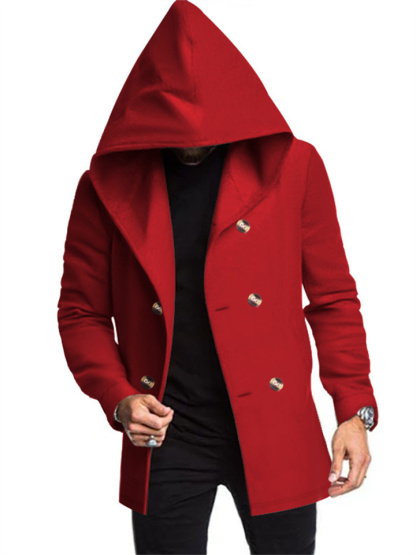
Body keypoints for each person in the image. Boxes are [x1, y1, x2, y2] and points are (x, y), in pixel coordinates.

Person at [57, 2, 378, 554]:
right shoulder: (105, 186)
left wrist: (354, 410)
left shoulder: (294, 166)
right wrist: (119, 397)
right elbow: (81, 312)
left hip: (274, 425)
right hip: (166, 432)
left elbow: (332, 298)